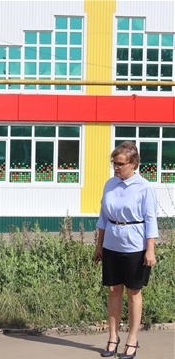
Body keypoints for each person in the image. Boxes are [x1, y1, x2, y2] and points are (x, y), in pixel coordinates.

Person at [94, 141, 158, 359]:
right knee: (113, 291)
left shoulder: (145, 187)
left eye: (120, 163)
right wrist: (99, 246)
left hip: (135, 246)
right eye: (114, 163)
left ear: (134, 163)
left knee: (133, 293)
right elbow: (103, 217)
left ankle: (132, 339)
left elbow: (150, 220)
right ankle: (113, 336)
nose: (116, 167)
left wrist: (150, 250)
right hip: (111, 244)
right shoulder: (110, 184)